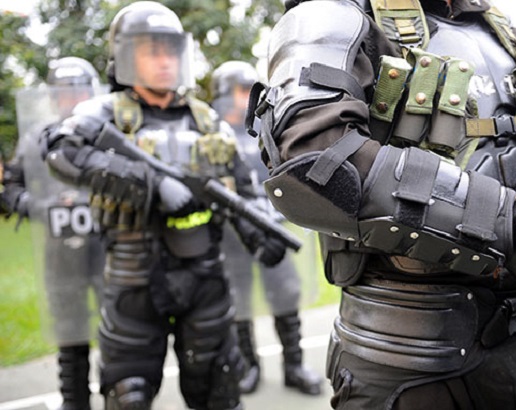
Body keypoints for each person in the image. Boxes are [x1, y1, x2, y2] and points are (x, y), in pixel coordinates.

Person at [247, 0, 516, 409]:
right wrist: (507, 224)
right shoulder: (335, 17)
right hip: (411, 360)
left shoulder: (513, 39)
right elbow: (314, 161)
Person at [42, 2, 288, 409]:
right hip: (132, 278)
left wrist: (258, 230)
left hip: (205, 275)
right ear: (123, 56)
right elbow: (60, 153)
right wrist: (151, 184)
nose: (164, 61)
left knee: (219, 390)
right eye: (150, 50)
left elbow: (242, 189)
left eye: (170, 50)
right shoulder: (103, 114)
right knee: (128, 393)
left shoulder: (208, 121)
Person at [210, 61, 323, 395]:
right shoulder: (213, 136)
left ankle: (294, 365)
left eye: (249, 89)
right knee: (239, 301)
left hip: (273, 230)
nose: (246, 96)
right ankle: (248, 366)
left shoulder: (265, 129)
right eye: (239, 91)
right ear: (221, 95)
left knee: (285, 295)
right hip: (233, 236)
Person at [2, 56, 105, 410]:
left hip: (109, 247)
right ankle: (74, 402)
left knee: (118, 332)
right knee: (70, 333)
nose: (72, 98)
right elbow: (11, 189)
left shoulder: (108, 132)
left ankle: (119, 399)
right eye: (64, 92)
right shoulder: (34, 140)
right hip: (61, 251)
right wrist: (40, 206)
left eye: (78, 90)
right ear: (53, 97)